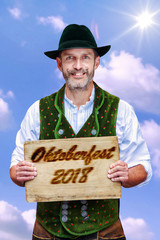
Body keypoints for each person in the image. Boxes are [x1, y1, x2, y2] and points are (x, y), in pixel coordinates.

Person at [10, 24, 152, 240]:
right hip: (47, 231)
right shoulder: (37, 110)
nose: (78, 66)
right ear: (59, 64)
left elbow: (143, 166)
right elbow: (16, 166)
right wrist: (18, 174)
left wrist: (128, 175)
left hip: (104, 230)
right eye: (69, 58)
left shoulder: (120, 109)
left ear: (96, 61)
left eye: (85, 57)